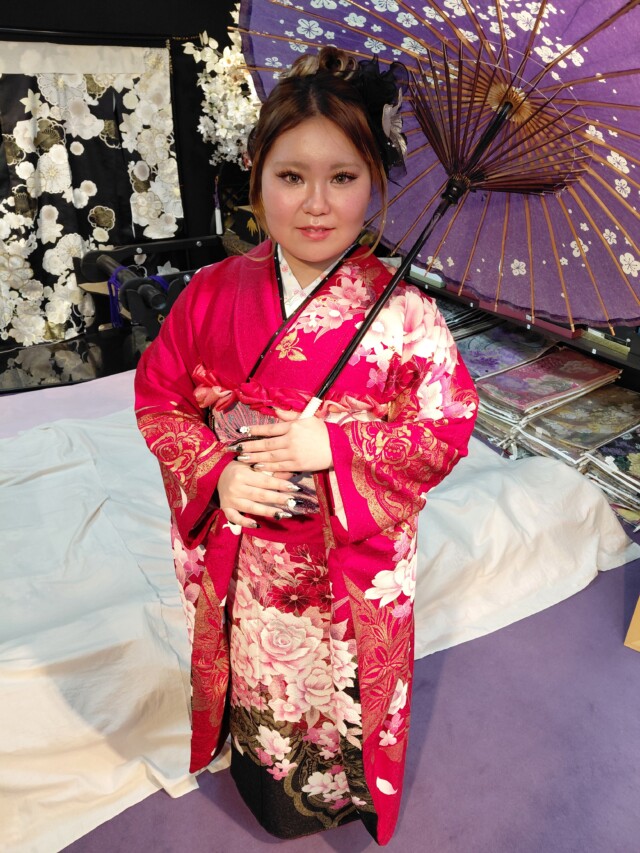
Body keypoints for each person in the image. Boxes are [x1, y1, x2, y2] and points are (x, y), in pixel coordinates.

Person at [135, 46, 478, 846]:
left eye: (343, 176)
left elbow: (446, 423)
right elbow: (160, 397)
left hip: (352, 563)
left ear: (375, 182)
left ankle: (344, 792)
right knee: (266, 678)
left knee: (343, 690)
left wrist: (339, 442)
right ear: (256, 176)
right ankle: (271, 787)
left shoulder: (407, 316)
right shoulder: (211, 293)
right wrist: (215, 472)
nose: (317, 204)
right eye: (292, 176)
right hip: (253, 554)